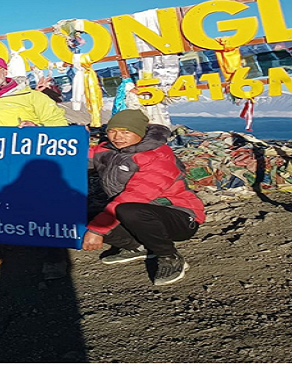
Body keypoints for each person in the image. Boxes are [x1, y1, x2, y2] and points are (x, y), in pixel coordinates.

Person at [0, 52, 70, 278]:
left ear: (4, 71)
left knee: (39, 208)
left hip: (24, 163)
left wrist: (38, 126)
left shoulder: (32, 97)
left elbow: (60, 124)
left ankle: (53, 257)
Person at [82, 109, 205, 286]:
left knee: (128, 210)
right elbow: (75, 158)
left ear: (139, 133)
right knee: (80, 212)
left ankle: (168, 256)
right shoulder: (108, 150)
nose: (117, 137)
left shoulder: (157, 157)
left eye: (126, 132)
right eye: (112, 131)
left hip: (178, 215)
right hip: (134, 211)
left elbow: (133, 198)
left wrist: (96, 230)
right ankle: (137, 247)